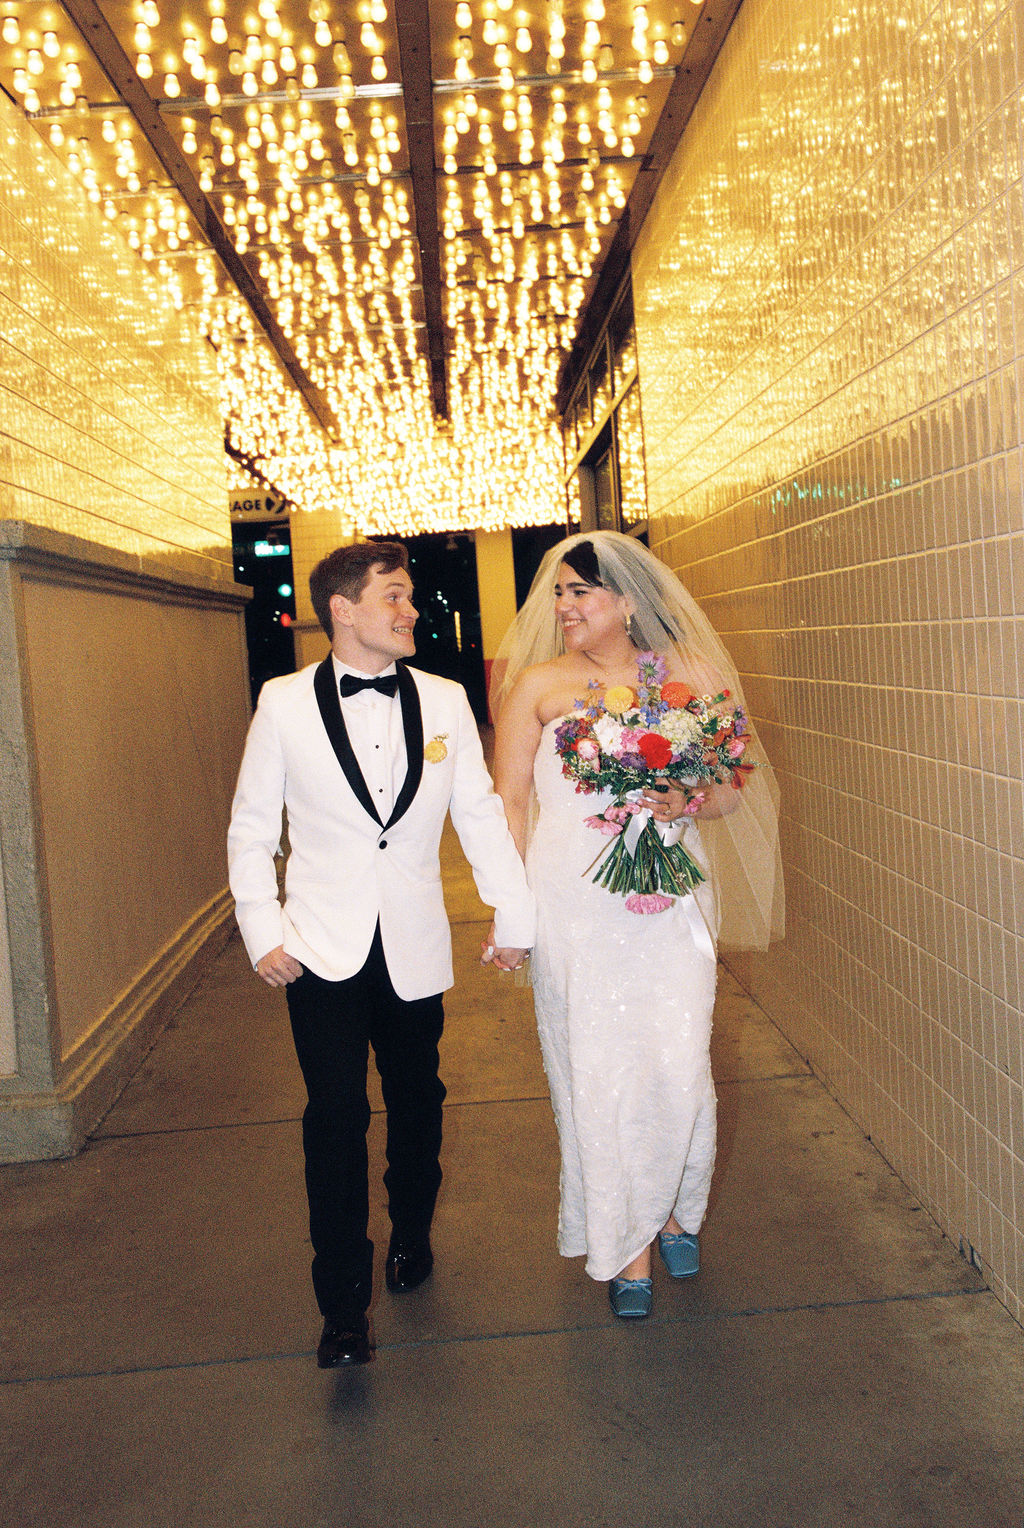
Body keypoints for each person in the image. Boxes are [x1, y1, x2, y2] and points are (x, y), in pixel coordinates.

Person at [228, 540, 534, 1367]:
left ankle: (411, 1232)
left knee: (417, 1101)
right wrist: (263, 931)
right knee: (333, 1116)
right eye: (393, 598)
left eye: (408, 598)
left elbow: (477, 815)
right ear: (344, 609)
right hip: (317, 949)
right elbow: (252, 829)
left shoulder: (442, 701)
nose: (409, 612)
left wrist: (514, 913)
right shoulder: (283, 703)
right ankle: (343, 1308)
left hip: (412, 944)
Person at [491, 531, 783, 1319]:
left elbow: (729, 787)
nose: (564, 607)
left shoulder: (692, 677)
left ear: (626, 601)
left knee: (679, 1056)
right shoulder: (540, 686)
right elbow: (509, 802)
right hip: (573, 902)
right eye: (558, 594)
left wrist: (684, 801)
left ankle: (681, 1206)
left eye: (580, 592)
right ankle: (626, 1244)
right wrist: (510, 909)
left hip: (667, 900)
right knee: (594, 1066)